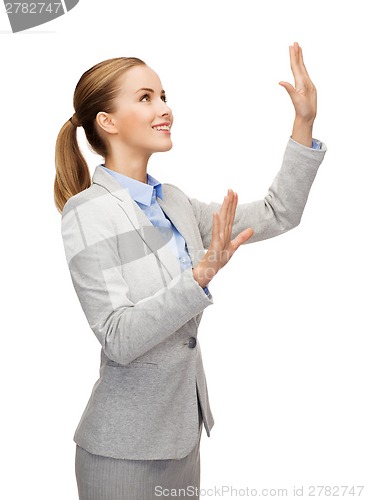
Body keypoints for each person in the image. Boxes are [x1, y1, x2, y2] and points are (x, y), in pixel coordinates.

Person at [54, 42, 327, 500]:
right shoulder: (87, 212)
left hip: (182, 440)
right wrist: (198, 277)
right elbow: (118, 337)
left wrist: (304, 124)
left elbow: (280, 212)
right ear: (108, 121)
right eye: (145, 98)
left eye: (164, 96)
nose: (164, 108)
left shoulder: (173, 201)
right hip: (122, 452)